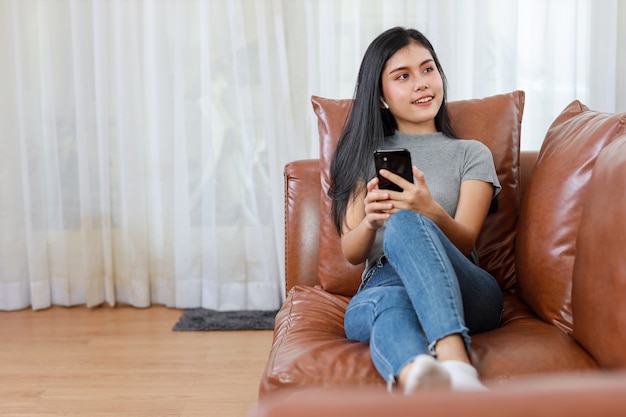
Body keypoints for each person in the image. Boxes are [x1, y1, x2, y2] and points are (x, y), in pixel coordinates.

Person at [328, 27, 503, 393]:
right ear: (380, 97)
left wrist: (430, 210)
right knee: (390, 300)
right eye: (403, 76)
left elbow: (467, 239)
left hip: (463, 286)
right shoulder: (365, 155)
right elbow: (351, 251)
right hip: (383, 284)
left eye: (428, 69)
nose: (421, 83)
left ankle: (457, 363)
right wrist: (373, 223)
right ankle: (421, 383)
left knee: (406, 220)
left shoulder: (471, 153)